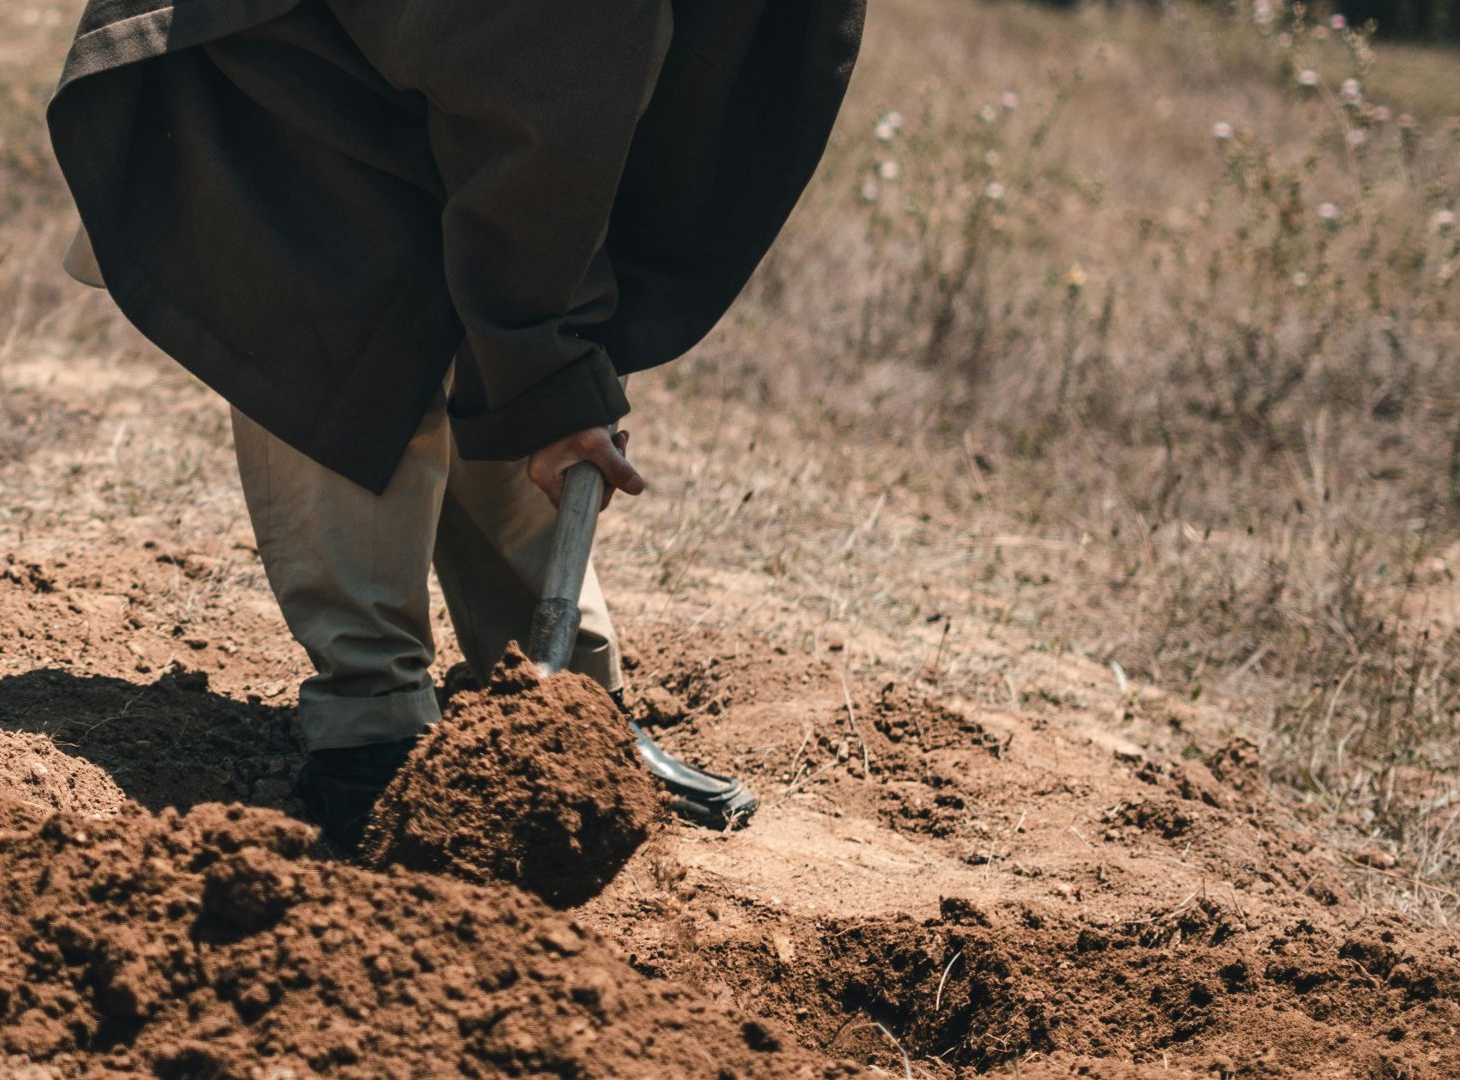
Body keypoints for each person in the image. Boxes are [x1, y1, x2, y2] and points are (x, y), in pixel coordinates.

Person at [46, 0, 863, 850]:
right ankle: (374, 735)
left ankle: (562, 712)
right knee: (353, 338)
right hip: (268, 58)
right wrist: (551, 368)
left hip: (441, 69)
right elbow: (540, 123)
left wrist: (556, 361)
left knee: (507, 329)